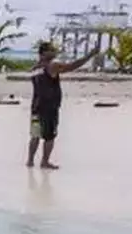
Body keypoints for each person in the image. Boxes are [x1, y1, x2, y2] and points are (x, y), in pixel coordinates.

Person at [27, 40, 101, 169]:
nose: (54, 52)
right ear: (44, 53)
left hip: (36, 106)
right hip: (49, 108)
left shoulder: (35, 68)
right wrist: (90, 55)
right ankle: (45, 162)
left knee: (35, 135)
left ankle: (30, 161)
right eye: (51, 50)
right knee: (49, 136)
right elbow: (72, 66)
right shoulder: (52, 65)